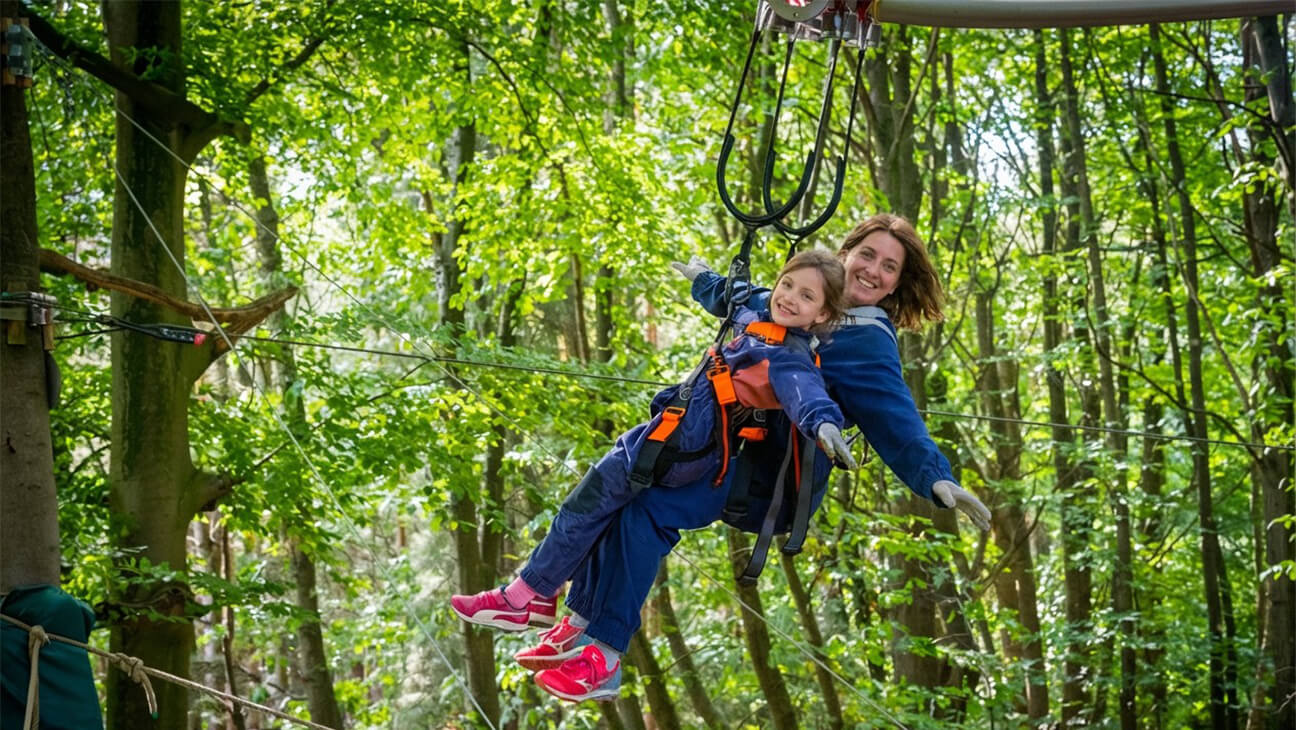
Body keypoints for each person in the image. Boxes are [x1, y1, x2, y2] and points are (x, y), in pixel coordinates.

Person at [451, 250, 860, 701]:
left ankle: (530, 596)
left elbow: (804, 393)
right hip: (671, 437)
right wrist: (702, 278)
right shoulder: (758, 314)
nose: (790, 298)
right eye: (787, 285)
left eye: (806, 297)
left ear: (822, 315)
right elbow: (732, 295)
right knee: (615, 511)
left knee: (591, 498)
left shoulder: (788, 356)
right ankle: (574, 619)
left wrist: (824, 425)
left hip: (685, 447)